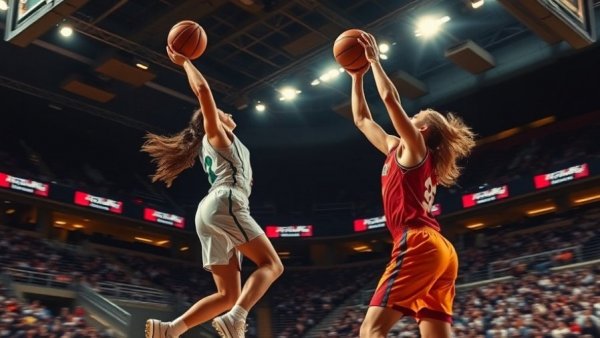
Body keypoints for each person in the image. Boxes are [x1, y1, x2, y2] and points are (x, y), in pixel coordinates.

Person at [142, 45, 284, 338]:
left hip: (211, 209)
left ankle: (170, 329)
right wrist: (186, 62)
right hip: (225, 202)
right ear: (212, 120)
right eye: (220, 111)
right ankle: (237, 319)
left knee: (228, 295)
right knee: (272, 264)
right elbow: (203, 91)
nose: (226, 112)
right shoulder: (215, 134)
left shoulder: (228, 143)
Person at [348, 33, 475, 338]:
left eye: (415, 115)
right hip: (440, 249)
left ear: (423, 128)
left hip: (418, 242)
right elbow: (362, 119)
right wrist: (356, 76)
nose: (409, 116)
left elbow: (390, 100)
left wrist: (375, 62)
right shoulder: (397, 148)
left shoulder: (416, 147)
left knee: (371, 331)